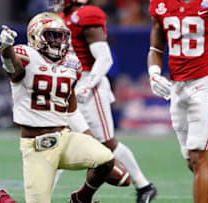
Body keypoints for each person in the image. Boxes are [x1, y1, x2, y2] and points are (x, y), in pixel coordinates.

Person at [0, 12, 116, 203]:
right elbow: (12, 68)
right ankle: (3, 200)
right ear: (35, 36)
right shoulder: (26, 55)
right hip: (37, 144)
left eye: (61, 36)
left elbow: (71, 108)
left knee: (106, 159)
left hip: (64, 138)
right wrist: (6, 49)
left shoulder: (72, 63)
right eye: (52, 35)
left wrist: (89, 138)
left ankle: (82, 199)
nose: (58, 41)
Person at [50, 1, 158, 202]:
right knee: (58, 141)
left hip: (89, 86)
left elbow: (105, 58)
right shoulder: (61, 19)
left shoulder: (85, 15)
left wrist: (88, 84)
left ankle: (144, 186)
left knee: (107, 143)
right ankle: (42, 196)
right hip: (69, 86)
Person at [148, 0, 208, 202]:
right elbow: (156, 48)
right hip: (177, 87)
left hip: (203, 83)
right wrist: (154, 73)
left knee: (199, 157)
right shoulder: (161, 4)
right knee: (192, 162)